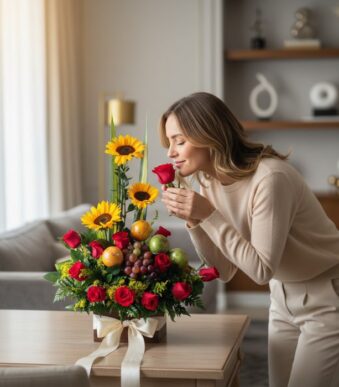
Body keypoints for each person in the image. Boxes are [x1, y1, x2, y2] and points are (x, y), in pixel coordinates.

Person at [159, 91, 339, 387]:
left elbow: (259, 270)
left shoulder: (270, 178)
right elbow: (226, 270)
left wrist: (208, 216)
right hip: (281, 298)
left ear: (210, 135)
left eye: (180, 141)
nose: (171, 152)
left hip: (327, 296)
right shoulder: (208, 182)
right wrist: (195, 221)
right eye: (170, 143)